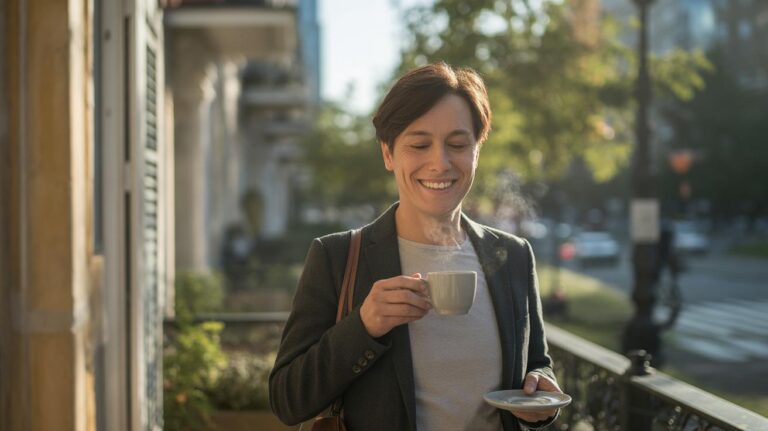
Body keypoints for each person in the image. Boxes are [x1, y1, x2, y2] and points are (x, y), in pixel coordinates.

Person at [269, 62, 562, 431]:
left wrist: (541, 391)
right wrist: (363, 326)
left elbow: (537, 363)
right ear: (388, 154)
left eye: (458, 144)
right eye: (420, 144)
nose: (439, 163)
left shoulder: (513, 256)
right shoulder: (336, 257)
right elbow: (287, 400)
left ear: (477, 151)